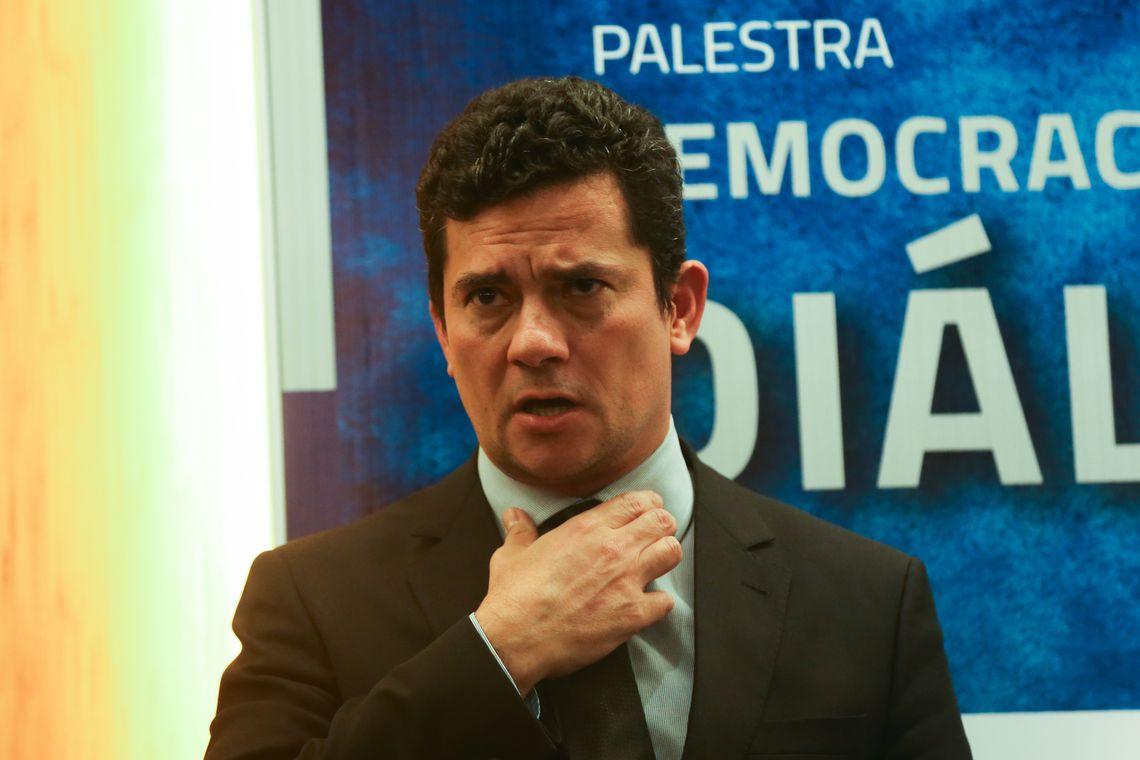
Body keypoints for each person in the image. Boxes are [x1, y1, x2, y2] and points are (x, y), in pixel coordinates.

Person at [206, 77, 972, 760]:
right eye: (487, 298)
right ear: (442, 330)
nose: (533, 342)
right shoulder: (311, 599)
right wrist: (497, 652)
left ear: (679, 308)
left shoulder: (866, 603)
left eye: (580, 288)